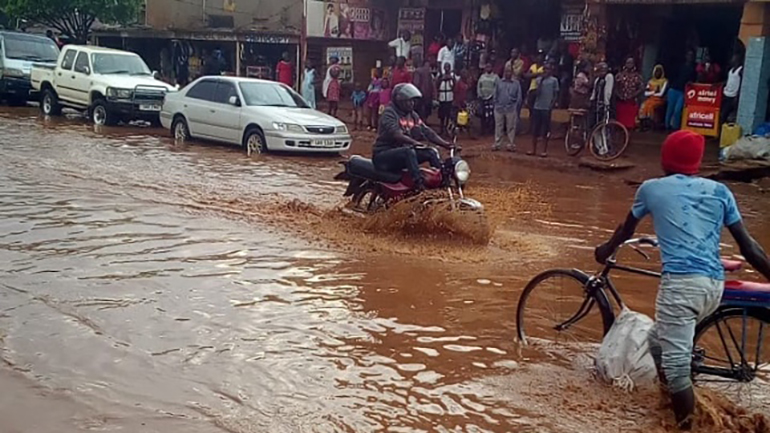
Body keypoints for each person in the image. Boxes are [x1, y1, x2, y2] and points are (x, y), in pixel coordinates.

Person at [595, 130, 770, 431]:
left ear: (666, 159)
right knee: (655, 341)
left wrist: (606, 250)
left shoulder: (651, 189)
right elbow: (748, 246)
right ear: (697, 162)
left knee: (676, 370)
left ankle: (687, 426)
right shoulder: (719, 191)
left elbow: (626, 229)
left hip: (681, 288)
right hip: (714, 286)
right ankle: (671, 404)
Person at [373, 83, 452, 191]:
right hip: (383, 155)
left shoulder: (412, 115)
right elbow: (397, 134)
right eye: (409, 101)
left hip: (401, 154)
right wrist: (414, 143)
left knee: (431, 152)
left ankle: (442, 182)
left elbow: (427, 132)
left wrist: (446, 144)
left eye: (413, 100)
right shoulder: (389, 113)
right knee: (408, 151)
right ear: (400, 100)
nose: (412, 103)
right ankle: (419, 185)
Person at [529, 64, 559, 157]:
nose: (546, 71)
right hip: (537, 106)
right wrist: (541, 81)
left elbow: (556, 94)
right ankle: (533, 149)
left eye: (548, 69)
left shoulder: (554, 80)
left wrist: (552, 105)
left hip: (546, 107)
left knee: (545, 130)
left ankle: (543, 150)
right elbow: (537, 93)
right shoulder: (538, 80)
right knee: (535, 129)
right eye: (545, 69)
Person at [666, 50, 697, 130]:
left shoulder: (693, 69)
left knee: (678, 110)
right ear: (686, 56)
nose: (690, 57)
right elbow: (671, 76)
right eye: (688, 55)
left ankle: (675, 127)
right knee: (670, 109)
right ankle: (667, 127)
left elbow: (693, 80)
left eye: (691, 56)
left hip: (682, 91)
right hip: (673, 89)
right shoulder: (679, 66)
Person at [493, 67, 521, 152]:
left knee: (511, 127)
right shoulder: (499, 82)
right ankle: (497, 144)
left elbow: (519, 97)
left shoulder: (516, 83)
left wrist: (516, 107)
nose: (507, 73)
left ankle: (511, 144)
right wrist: (496, 104)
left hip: (511, 108)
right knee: (498, 126)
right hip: (499, 108)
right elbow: (495, 94)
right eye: (506, 71)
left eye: (509, 72)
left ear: (512, 73)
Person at [615, 57, 644, 130]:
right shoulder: (619, 75)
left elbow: (641, 88)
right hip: (621, 102)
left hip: (632, 102)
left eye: (631, 63)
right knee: (620, 124)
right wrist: (619, 95)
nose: (629, 65)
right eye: (628, 63)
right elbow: (615, 87)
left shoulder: (637, 76)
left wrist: (633, 95)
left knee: (630, 124)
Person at [639, 64, 668, 129]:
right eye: (656, 71)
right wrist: (654, 92)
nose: (657, 73)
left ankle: (651, 125)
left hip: (659, 100)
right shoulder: (650, 81)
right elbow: (646, 93)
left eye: (659, 71)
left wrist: (652, 93)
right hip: (650, 99)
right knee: (643, 105)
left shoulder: (664, 81)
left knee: (651, 107)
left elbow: (661, 94)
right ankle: (643, 125)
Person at [477, 62, 499, 135]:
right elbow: (478, 86)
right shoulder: (482, 76)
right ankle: (483, 130)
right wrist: (480, 95)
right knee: (482, 115)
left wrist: (493, 96)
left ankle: (491, 130)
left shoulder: (495, 77)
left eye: (489, 67)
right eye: (487, 67)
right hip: (483, 98)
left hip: (492, 99)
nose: (488, 68)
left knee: (491, 115)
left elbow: (497, 87)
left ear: (492, 68)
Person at [721, 53, 743, 125]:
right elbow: (729, 80)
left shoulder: (740, 70)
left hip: (733, 96)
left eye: (734, 58)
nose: (732, 60)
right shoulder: (731, 69)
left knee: (728, 115)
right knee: (722, 114)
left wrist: (737, 96)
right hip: (726, 93)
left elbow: (742, 84)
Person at [590, 62, 614, 127]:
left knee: (604, 124)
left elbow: (608, 92)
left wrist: (606, 104)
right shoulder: (597, 79)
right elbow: (594, 91)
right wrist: (592, 101)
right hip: (598, 104)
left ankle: (605, 137)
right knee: (596, 124)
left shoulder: (609, 77)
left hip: (606, 104)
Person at [436, 62, 458, 135]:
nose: (447, 68)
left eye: (448, 67)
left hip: (449, 97)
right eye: (445, 67)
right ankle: (441, 128)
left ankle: (447, 129)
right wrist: (442, 79)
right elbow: (437, 84)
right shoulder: (440, 75)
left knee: (448, 115)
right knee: (442, 115)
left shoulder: (452, 76)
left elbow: (455, 86)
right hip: (442, 97)